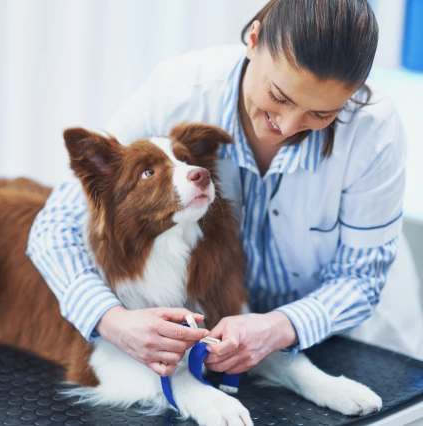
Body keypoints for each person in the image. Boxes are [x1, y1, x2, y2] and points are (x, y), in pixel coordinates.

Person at [27, 0, 423, 378]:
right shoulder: (178, 89)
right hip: (228, 333)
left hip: (358, 341)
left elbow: (359, 278)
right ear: (254, 38)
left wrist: (279, 326)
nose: (286, 127)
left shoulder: (373, 130)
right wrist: (112, 320)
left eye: (321, 114)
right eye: (278, 97)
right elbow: (53, 230)